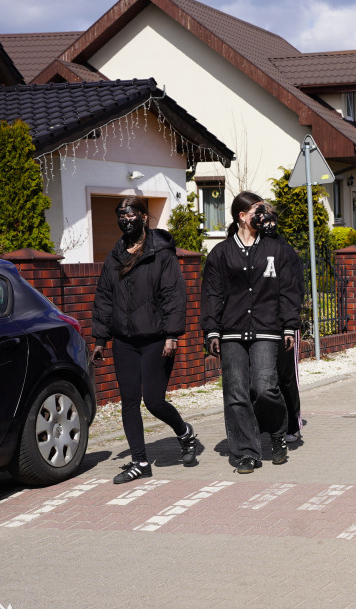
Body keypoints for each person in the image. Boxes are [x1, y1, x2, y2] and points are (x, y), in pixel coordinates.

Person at [92, 197, 198, 484]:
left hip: (156, 339)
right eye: (120, 215)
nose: (125, 220)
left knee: (153, 401)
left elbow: (174, 294)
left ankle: (185, 433)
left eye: (130, 215)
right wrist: (100, 338)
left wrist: (172, 335)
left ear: (142, 216)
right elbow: (104, 297)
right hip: (124, 341)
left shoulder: (161, 253)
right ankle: (140, 462)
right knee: (129, 402)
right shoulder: (115, 256)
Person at [201, 192, 301, 474]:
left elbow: (289, 290)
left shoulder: (276, 250)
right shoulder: (220, 253)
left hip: (267, 329)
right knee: (236, 394)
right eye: (258, 210)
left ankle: (277, 432)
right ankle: (246, 452)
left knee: (265, 387)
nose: (263, 215)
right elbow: (212, 294)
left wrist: (290, 324)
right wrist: (212, 330)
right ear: (242, 216)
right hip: (232, 331)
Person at [258, 203, 306, 443]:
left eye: (272, 220)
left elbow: (297, 289)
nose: (268, 225)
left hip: (283, 324)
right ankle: (266, 423)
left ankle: (293, 424)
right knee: (263, 378)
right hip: (259, 324)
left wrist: (290, 319)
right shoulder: (250, 250)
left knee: (286, 377)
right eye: (263, 220)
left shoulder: (285, 251)